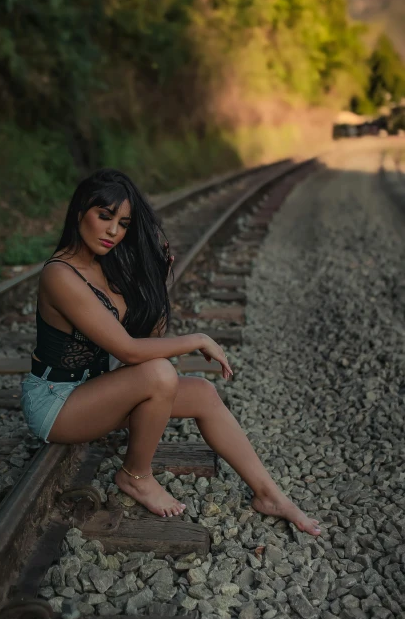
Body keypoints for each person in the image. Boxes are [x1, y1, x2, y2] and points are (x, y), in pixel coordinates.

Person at [21, 168, 320, 535]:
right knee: (160, 373)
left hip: (94, 389)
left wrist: (158, 280)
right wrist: (199, 339)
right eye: (105, 217)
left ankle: (270, 494)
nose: (114, 231)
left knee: (203, 393)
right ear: (80, 211)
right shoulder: (60, 275)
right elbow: (131, 352)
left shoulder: (104, 266)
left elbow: (149, 334)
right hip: (56, 403)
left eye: (123, 223)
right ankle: (136, 476)